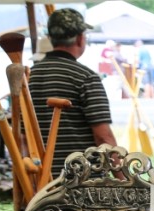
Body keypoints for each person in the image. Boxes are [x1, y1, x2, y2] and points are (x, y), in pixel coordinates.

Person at [29, 8, 117, 177]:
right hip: (83, 183)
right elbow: (103, 138)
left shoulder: (29, 77)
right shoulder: (85, 77)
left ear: (50, 39)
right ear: (80, 38)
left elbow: (24, 138)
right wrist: (123, 179)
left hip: (42, 182)